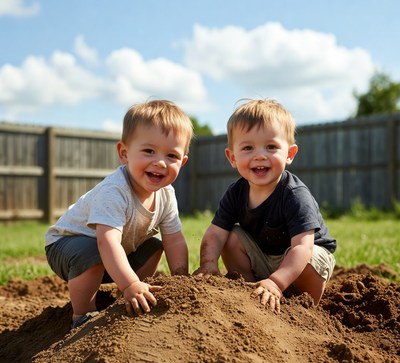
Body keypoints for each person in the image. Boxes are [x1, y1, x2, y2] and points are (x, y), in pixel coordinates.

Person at [45, 100, 193, 328]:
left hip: (111, 255)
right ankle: (83, 314)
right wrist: (129, 282)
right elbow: (106, 242)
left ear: (182, 162)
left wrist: (181, 280)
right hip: (66, 248)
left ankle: (135, 296)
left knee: (154, 246)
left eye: (171, 156)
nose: (160, 162)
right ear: (124, 153)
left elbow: (174, 239)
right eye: (149, 151)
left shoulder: (166, 194)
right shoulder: (114, 191)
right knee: (91, 251)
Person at [196, 99, 336, 313]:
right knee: (230, 237)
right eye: (248, 147)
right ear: (232, 157)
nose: (260, 155)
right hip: (263, 256)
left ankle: (302, 308)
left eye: (271, 147)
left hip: (302, 260)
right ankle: (252, 294)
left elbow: (302, 247)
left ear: (289, 154)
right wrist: (208, 263)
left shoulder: (294, 195)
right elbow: (215, 233)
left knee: (311, 256)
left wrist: (277, 282)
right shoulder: (236, 192)